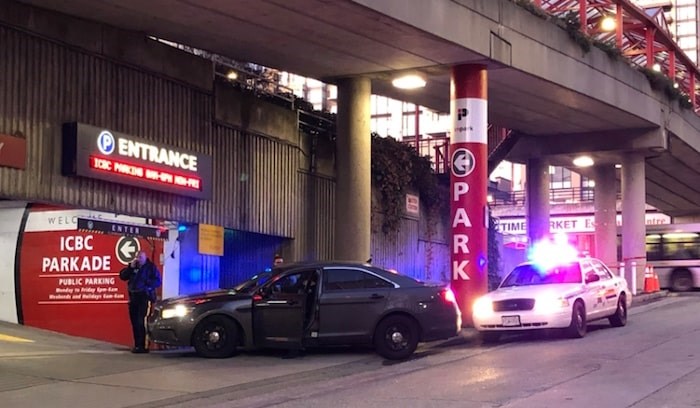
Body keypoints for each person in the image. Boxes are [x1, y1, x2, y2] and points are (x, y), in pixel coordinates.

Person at [119, 250, 162, 353]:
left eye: (140, 257)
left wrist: (146, 286)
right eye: (137, 257)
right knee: (134, 322)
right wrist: (130, 268)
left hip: (145, 296)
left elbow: (157, 281)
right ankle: (137, 345)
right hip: (133, 297)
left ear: (144, 257)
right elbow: (123, 276)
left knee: (141, 321)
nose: (139, 259)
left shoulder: (150, 267)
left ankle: (144, 345)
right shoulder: (134, 267)